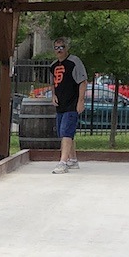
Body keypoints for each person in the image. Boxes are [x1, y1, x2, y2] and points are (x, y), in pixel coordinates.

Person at [49, 37, 88, 173]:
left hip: (72, 102)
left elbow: (82, 81)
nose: (59, 50)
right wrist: (53, 95)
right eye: (57, 47)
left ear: (67, 49)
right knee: (64, 132)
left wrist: (80, 101)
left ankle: (63, 162)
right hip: (61, 103)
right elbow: (53, 83)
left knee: (66, 131)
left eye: (62, 47)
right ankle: (73, 159)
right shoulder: (53, 65)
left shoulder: (74, 62)